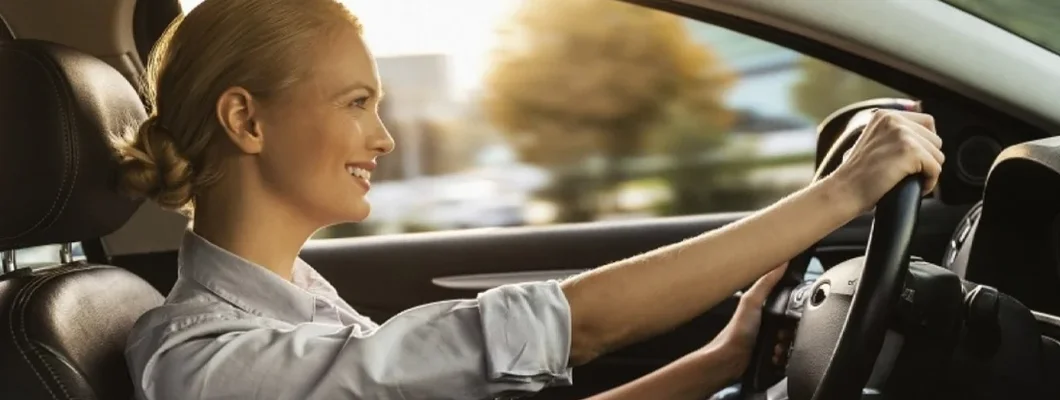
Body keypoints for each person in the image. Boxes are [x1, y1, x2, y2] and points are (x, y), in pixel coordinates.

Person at [118, 0, 944, 399]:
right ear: (245, 119)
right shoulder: (205, 364)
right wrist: (841, 194)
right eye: (356, 102)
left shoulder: (298, 307)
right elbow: (576, 325)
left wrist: (718, 362)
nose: (384, 139)